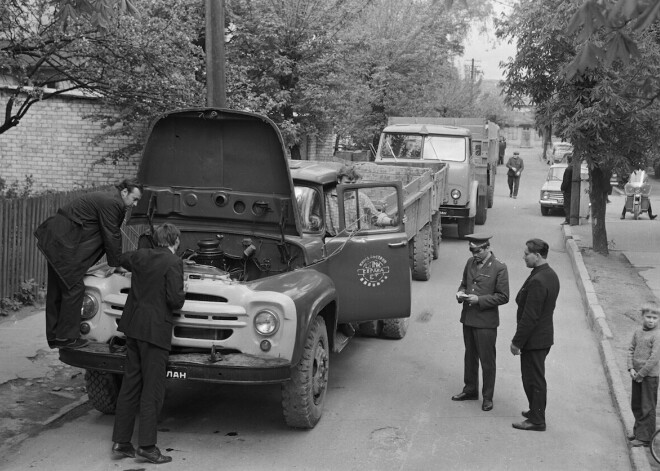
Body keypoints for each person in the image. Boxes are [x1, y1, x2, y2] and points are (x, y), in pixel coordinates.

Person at [34, 179, 143, 349]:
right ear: (124, 193)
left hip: (56, 241)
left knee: (58, 288)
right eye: (134, 199)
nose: (135, 204)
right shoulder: (114, 203)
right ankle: (68, 338)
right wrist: (116, 263)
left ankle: (56, 335)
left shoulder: (109, 199)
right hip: (63, 244)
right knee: (74, 289)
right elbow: (112, 234)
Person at [111, 223, 186, 464]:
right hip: (155, 332)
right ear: (175, 241)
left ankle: (122, 442)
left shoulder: (140, 256)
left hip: (133, 329)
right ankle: (147, 447)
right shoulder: (174, 263)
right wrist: (185, 290)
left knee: (131, 384)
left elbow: (121, 258)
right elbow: (175, 301)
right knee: (152, 390)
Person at [452, 233, 509, 412]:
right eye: (471, 250)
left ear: (487, 248)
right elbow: (463, 284)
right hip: (468, 318)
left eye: (477, 250)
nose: (474, 254)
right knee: (470, 357)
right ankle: (470, 389)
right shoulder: (470, 263)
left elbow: (503, 296)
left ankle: (487, 397)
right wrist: (460, 293)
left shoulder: (499, 267)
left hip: (486, 322)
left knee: (487, 361)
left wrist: (480, 300)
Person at [510, 238, 560, 432]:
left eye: (526, 254)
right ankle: (534, 411)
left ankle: (537, 420)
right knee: (533, 378)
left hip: (535, 339)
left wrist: (517, 342)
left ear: (537, 256)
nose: (523, 257)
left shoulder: (539, 280)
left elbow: (530, 317)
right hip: (542, 337)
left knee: (533, 379)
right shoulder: (548, 274)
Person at [325, 164, 397, 237]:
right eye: (347, 183)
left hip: (357, 239)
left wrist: (393, 221)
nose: (350, 186)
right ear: (339, 180)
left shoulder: (361, 198)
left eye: (353, 183)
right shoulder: (327, 197)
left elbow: (375, 217)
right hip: (334, 241)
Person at [627, 302, 660, 447]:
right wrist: (631, 368)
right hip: (636, 374)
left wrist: (641, 374)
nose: (651, 320)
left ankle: (646, 438)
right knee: (637, 404)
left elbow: (654, 358)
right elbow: (631, 349)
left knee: (648, 406)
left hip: (649, 376)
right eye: (648, 317)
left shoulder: (657, 335)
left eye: (655, 318)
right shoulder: (638, 332)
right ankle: (638, 431)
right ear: (642, 316)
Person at [560, 156, 573, 225]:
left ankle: (568, 220)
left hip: (568, 190)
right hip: (572, 190)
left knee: (567, 205)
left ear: (568, 161)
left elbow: (566, 180)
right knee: (571, 205)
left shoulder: (568, 169)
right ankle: (570, 219)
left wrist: (562, 188)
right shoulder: (574, 168)